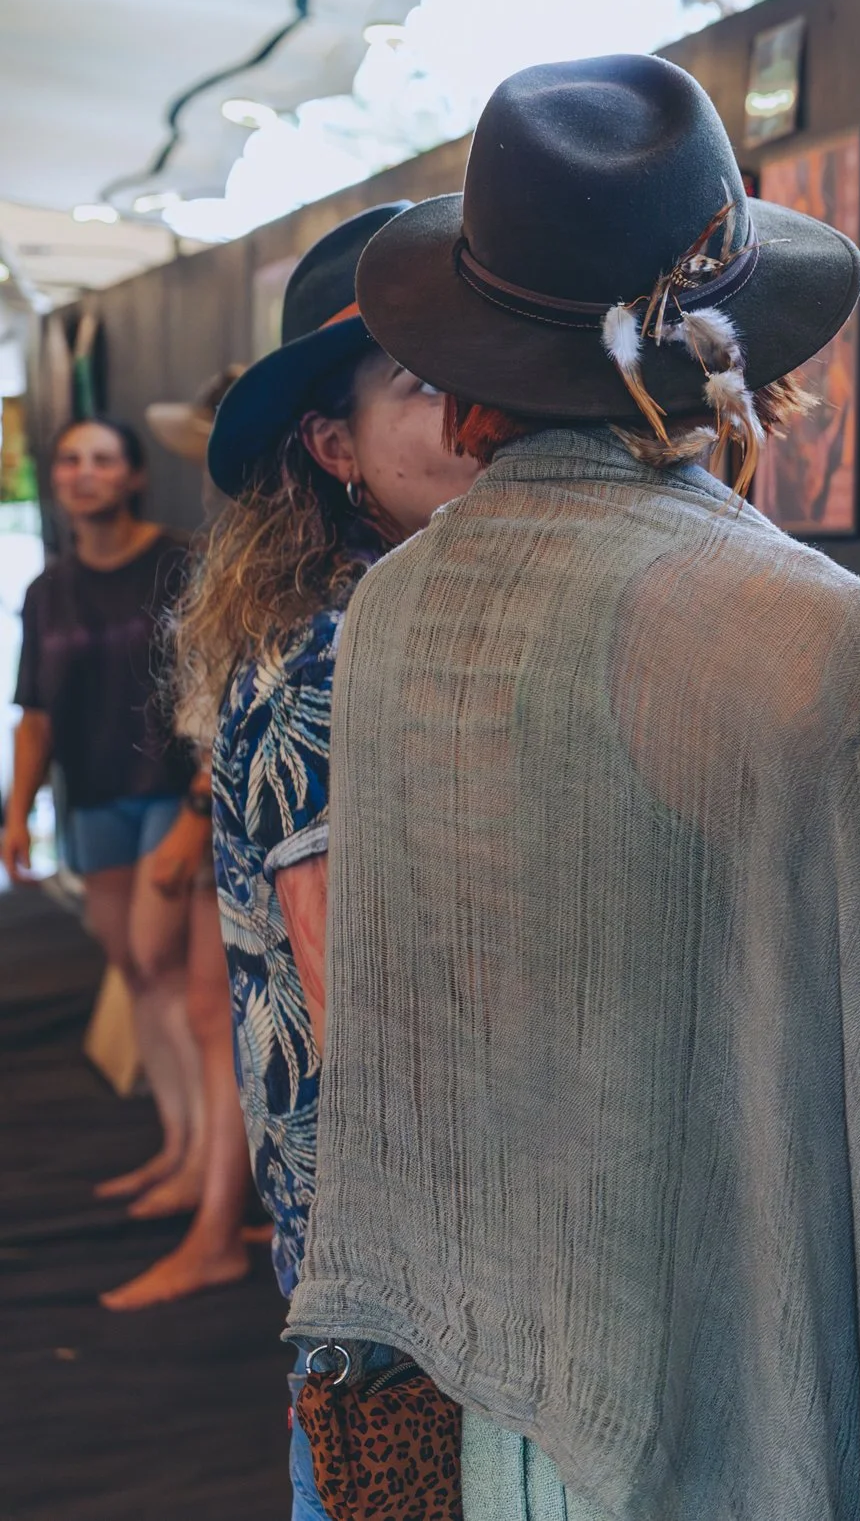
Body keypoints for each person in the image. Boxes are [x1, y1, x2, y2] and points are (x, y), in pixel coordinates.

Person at [288, 54, 860, 1520]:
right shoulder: (799, 623)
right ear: (741, 351)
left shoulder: (401, 606)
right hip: (738, 1393)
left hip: (501, 1388)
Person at [168, 202, 482, 1517]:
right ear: (333, 442)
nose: (475, 416)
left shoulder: (391, 612)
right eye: (424, 385)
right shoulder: (343, 647)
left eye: (487, 374)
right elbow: (369, 1006)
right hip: (420, 1306)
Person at [3, 420, 245, 1309]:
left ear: (135, 475)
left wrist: (198, 807)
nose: (83, 472)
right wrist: (18, 809)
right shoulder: (48, 589)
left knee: (178, 976)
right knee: (135, 969)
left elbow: (213, 684)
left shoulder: (179, 561)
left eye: (102, 457)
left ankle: (208, 1174)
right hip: (93, 797)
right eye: (68, 459)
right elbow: (33, 711)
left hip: (170, 791)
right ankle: (181, 1146)